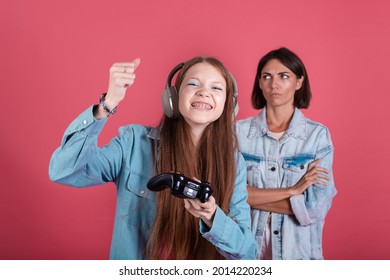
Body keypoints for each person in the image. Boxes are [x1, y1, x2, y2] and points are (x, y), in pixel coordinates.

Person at [49, 56, 257, 260]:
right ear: (173, 98)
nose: (204, 92)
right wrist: (107, 104)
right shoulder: (133, 143)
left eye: (216, 88)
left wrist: (212, 217)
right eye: (193, 84)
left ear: (228, 104)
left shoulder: (233, 163)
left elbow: (247, 254)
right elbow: (63, 171)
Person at [236, 47, 336, 260]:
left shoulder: (317, 136)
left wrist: (249, 197)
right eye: (267, 76)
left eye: (284, 76)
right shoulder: (237, 133)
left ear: (299, 82)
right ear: (260, 82)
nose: (275, 84)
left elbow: (314, 208)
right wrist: (294, 190)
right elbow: (227, 195)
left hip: (298, 253)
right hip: (247, 249)